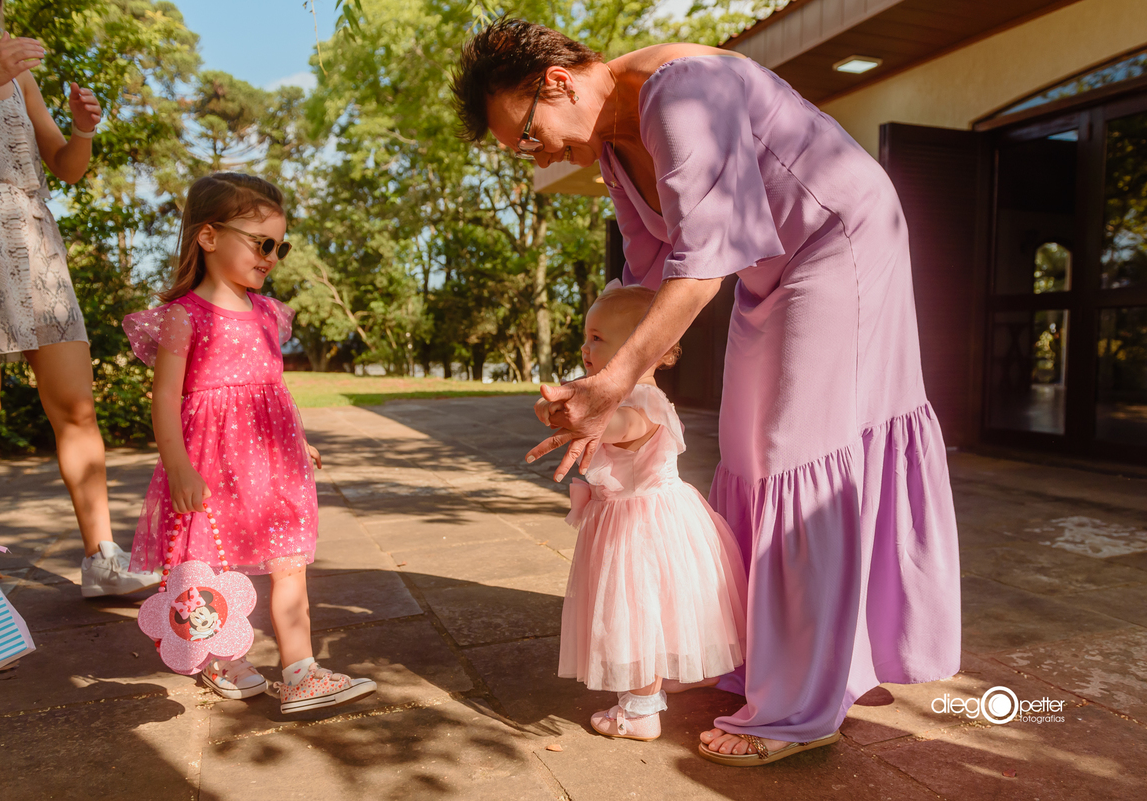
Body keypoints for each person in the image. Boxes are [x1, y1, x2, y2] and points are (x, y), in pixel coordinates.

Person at [454, 19, 961, 766]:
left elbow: (699, 270)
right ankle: (783, 661)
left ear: (555, 83)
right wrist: (600, 392)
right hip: (766, 269)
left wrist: (615, 380)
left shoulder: (680, 91)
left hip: (838, 239)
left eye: (527, 136)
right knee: (750, 453)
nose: (539, 156)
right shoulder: (616, 148)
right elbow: (650, 278)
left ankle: (800, 707)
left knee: (797, 452)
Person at [123, 172, 378, 713]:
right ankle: (222, 655)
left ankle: (300, 669)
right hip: (211, 462)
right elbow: (166, 400)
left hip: (274, 460)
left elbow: (273, 390)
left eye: (279, 246)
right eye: (262, 242)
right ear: (209, 237)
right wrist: (179, 468)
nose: (272, 256)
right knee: (216, 562)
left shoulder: (267, 313)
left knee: (290, 561)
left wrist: (297, 440)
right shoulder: (184, 318)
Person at [0, 0, 157, 597]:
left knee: (76, 405)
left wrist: (85, 128)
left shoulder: (17, 68)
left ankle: (102, 558)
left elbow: (65, 166)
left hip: (31, 242)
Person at [545, 283, 747, 742]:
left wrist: (573, 413)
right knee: (660, 609)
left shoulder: (640, 404)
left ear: (645, 346)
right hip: (649, 519)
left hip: (638, 530)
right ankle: (676, 671)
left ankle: (639, 711)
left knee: (636, 611)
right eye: (586, 336)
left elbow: (621, 427)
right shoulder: (627, 397)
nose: (585, 347)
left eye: (598, 338)